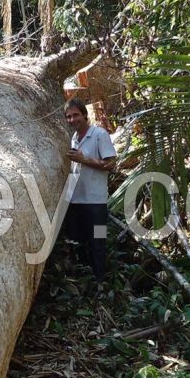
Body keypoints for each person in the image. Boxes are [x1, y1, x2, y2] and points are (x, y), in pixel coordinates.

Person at [62, 98, 116, 290]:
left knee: (98, 242)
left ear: (85, 115)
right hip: (76, 202)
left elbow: (111, 164)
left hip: (96, 203)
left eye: (75, 115)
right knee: (77, 242)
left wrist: (84, 160)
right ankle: (84, 285)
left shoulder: (99, 134)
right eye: (68, 117)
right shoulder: (74, 139)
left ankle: (101, 283)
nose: (72, 119)